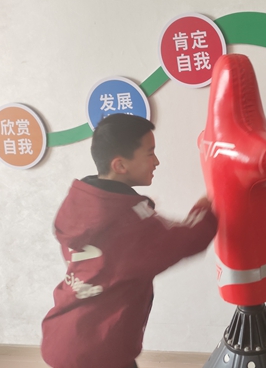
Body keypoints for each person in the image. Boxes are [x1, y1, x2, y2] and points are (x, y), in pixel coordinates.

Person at [41, 113, 217, 368]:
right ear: (120, 165)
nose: (156, 161)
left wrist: (140, 210)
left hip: (64, 334)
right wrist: (208, 205)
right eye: (150, 153)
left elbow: (116, 242)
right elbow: (190, 239)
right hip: (98, 350)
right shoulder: (130, 223)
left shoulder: (81, 202)